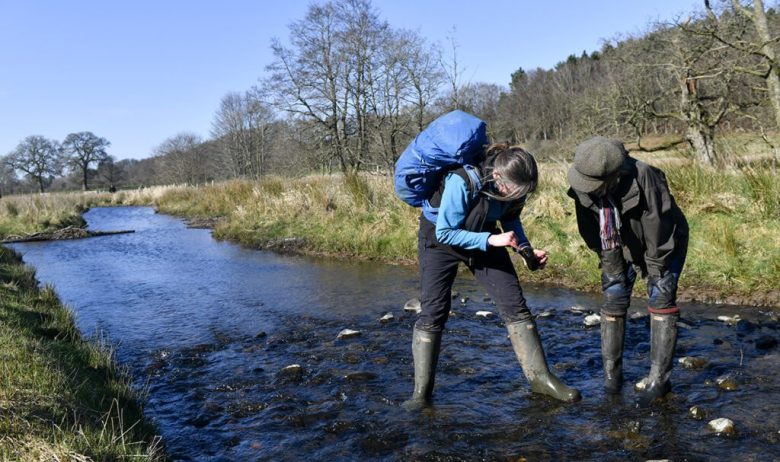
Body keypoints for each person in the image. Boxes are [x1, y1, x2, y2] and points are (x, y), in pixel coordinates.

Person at [404, 143, 581, 410]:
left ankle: (541, 379)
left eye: (522, 194)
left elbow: (511, 221)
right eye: (514, 192)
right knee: (434, 311)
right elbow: (446, 232)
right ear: (497, 176)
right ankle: (421, 394)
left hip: (486, 237)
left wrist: (526, 251)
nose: (517, 198)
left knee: (515, 304)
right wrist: (493, 239)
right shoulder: (462, 181)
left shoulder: (516, 187)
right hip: (441, 240)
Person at [566, 136, 688, 403]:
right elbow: (593, 234)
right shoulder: (583, 182)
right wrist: (613, 269)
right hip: (617, 244)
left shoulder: (646, 178)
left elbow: (659, 231)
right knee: (614, 294)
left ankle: (659, 381)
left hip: (663, 242)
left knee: (661, 293)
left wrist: (656, 273)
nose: (588, 189)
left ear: (615, 175)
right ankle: (612, 377)